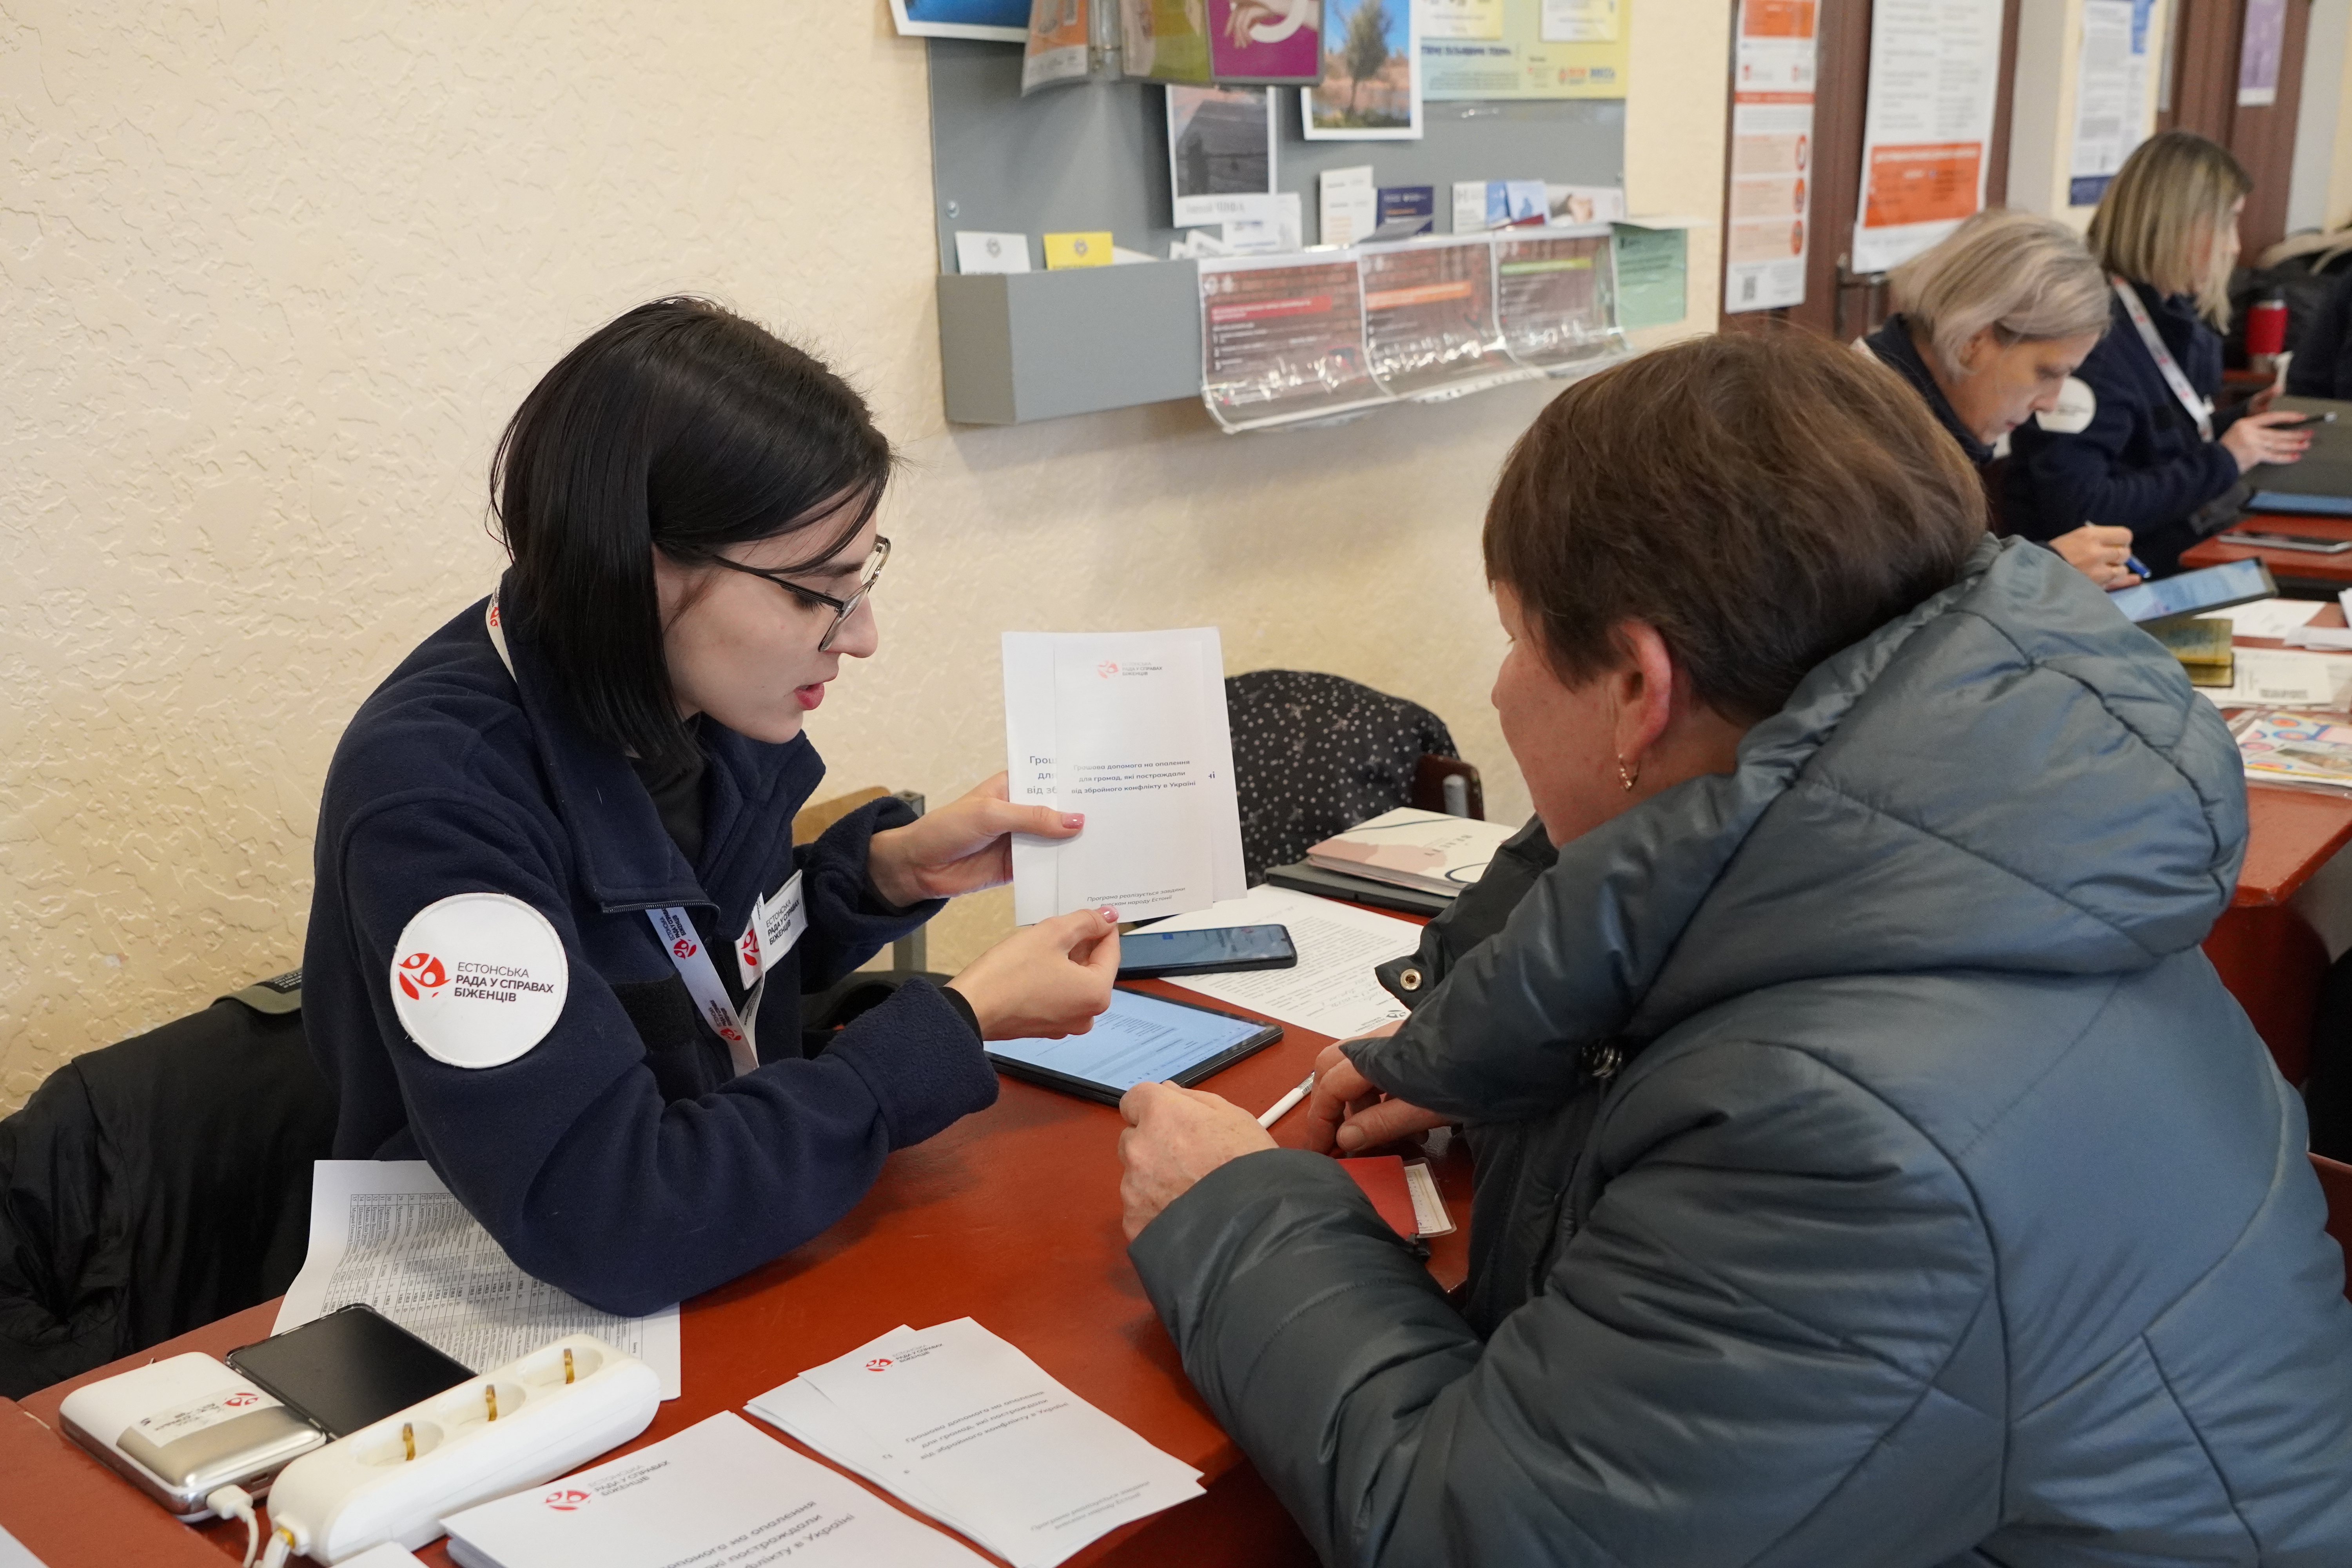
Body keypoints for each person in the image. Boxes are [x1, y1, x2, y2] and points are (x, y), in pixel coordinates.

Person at [1114, 330, 2352, 1563]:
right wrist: (1477, 1072)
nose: (1496, 686)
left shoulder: (1842, 1136)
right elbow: (1660, 963)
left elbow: (1475, 1535)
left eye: (1513, 634)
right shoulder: (1993, 863)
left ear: (1637, 691)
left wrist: (1229, 1211)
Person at [305, 299, 1119, 1316]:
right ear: (646, 566)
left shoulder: (692, 693)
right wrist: (959, 1022)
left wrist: (883, 876)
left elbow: (692, 977)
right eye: (814, 592)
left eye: (859, 580)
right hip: (507, 1307)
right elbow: (608, 1219)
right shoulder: (436, 792)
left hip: (736, 1243)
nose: (859, 636)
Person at [2007, 130, 2312, 577]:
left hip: (2186, 550)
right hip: (2119, 580)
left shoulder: (2178, 319)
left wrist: (2242, 421)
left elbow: (2160, 443)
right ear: (2176, 225)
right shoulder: (2091, 339)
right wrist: (2226, 459)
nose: (2234, 247)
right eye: (2226, 223)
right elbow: (2082, 510)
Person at [1860, 209, 2136, 587]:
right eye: (2048, 373)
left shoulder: (1918, 420)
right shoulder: (1859, 440)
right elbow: (1889, 631)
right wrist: (2039, 577)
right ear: (1974, 338)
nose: (2050, 403)